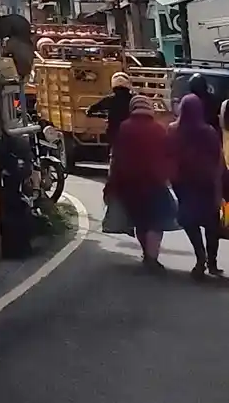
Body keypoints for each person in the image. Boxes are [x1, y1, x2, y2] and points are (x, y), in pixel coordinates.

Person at [102, 95, 179, 270]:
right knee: (156, 221)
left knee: (140, 221)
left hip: (129, 183)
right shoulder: (158, 129)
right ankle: (152, 257)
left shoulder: (124, 128)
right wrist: (168, 176)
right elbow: (167, 155)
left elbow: (117, 157)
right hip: (155, 182)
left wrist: (112, 183)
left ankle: (146, 253)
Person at [171, 90, 226, 280]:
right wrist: (219, 187)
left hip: (183, 185)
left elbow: (168, 155)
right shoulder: (209, 132)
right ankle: (212, 262)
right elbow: (218, 161)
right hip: (207, 185)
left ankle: (200, 257)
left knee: (190, 221)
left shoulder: (173, 130)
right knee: (212, 226)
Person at [86, 71, 138, 141]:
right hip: (131, 132)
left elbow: (90, 110)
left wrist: (102, 115)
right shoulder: (134, 98)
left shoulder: (109, 99)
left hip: (114, 133)